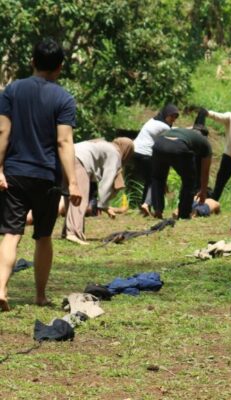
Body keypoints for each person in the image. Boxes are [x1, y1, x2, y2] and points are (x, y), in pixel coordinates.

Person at [0, 38, 82, 311]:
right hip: (46, 177)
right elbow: (64, 142)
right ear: (60, 67)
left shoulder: (12, 90)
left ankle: (0, 288)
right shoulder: (64, 98)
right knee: (43, 236)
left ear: (32, 61)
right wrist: (73, 182)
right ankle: (40, 295)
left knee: (11, 234)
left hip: (15, 173)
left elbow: (3, 132)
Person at [63, 138, 134, 245]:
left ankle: (66, 231)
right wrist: (103, 205)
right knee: (80, 200)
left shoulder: (105, 144)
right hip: (79, 160)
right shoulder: (115, 153)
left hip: (65, 155)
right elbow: (107, 181)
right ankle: (73, 233)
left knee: (72, 198)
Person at [151, 114, 212, 219]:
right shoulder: (205, 143)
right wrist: (203, 190)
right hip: (178, 146)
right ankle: (183, 214)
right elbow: (205, 172)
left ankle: (158, 210)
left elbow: (168, 154)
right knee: (189, 181)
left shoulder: (184, 131)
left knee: (158, 178)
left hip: (159, 144)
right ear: (205, 136)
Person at [133, 104, 179, 216]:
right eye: (171, 116)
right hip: (146, 154)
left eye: (175, 117)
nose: (173, 119)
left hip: (135, 152)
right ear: (165, 115)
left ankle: (143, 206)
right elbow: (175, 133)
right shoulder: (165, 127)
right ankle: (146, 204)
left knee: (149, 180)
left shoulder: (152, 121)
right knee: (155, 179)